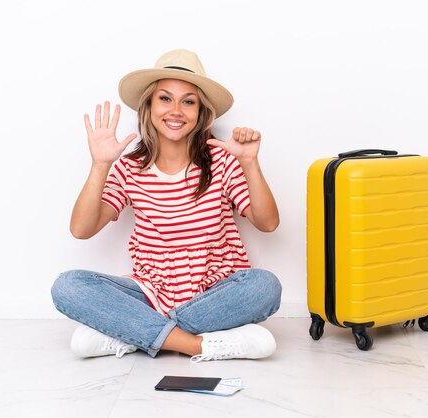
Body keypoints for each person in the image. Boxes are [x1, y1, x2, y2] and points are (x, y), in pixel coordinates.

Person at [51, 49, 282, 362]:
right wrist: (100, 164)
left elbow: (268, 223)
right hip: (150, 294)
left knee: (264, 286)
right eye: (165, 98)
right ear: (148, 105)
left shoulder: (223, 161)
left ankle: (136, 334)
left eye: (188, 101)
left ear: (202, 113)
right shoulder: (129, 168)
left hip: (214, 294)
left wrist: (250, 163)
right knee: (68, 286)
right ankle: (196, 344)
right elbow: (81, 229)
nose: (176, 110)